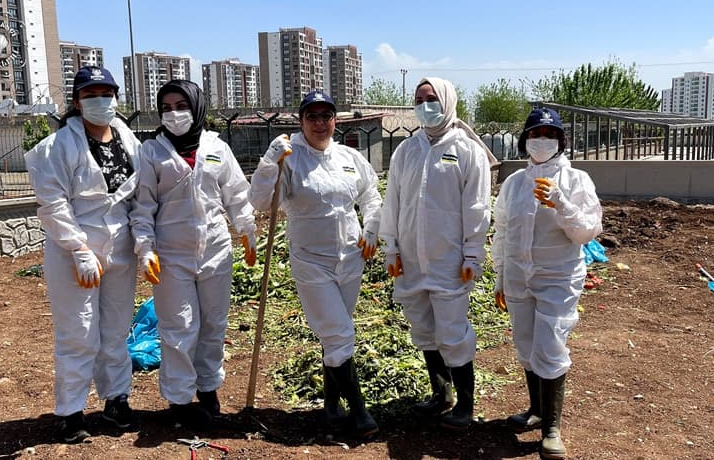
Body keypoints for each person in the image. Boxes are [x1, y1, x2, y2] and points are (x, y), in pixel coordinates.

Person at [248, 90, 383, 438]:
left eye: (327, 116)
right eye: (313, 116)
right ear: (301, 121)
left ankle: (331, 404)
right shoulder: (290, 157)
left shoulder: (350, 156)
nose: (320, 123)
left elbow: (370, 193)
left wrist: (372, 225)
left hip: (350, 258)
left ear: (335, 120)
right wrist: (269, 164)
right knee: (340, 333)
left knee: (334, 333)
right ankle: (359, 411)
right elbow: (262, 201)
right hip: (312, 261)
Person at [129, 79, 257, 428]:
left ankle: (208, 387)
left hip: (216, 249)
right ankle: (180, 399)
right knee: (179, 327)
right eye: (166, 108)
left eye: (181, 106)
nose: (174, 114)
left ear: (197, 107)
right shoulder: (152, 152)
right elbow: (142, 208)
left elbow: (235, 194)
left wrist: (247, 231)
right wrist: (146, 250)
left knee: (214, 323)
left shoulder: (217, 147)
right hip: (171, 256)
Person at [24, 66, 140, 443]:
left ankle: (116, 399)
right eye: (90, 95)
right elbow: (53, 204)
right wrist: (78, 247)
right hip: (73, 250)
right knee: (78, 332)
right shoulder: (57, 146)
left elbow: (138, 193)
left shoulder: (127, 137)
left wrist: (142, 240)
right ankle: (71, 411)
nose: (99, 100)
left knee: (116, 329)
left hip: (120, 246)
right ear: (76, 101)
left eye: (106, 92)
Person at [379, 77, 492, 431]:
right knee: (424, 330)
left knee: (453, 333)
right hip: (411, 260)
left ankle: (466, 405)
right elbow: (393, 202)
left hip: (450, 262)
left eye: (432, 99)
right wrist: (391, 247)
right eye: (419, 99)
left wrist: (472, 254)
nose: (425, 105)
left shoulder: (467, 150)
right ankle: (440, 394)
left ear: (447, 101)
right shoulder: (406, 150)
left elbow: (477, 208)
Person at [492, 107, 602, 459]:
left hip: (558, 277)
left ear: (561, 141)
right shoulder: (513, 184)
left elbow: (586, 231)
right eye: (535, 135)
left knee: (550, 345)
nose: (542, 141)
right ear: (525, 141)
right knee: (526, 345)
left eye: (549, 135)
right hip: (519, 277)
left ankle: (552, 427)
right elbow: (504, 232)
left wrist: (560, 202)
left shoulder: (577, 180)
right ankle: (536, 410)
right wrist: (500, 276)